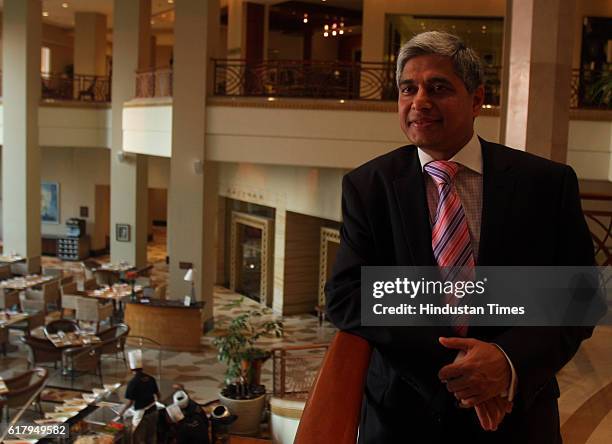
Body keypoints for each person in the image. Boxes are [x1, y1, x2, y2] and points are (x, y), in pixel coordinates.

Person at [325, 31, 597, 444]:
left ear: (477, 99)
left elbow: (581, 296)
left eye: (438, 87)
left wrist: (507, 363)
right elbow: (348, 296)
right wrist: (463, 371)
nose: (419, 101)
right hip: (403, 416)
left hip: (516, 416)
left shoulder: (545, 183)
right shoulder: (368, 186)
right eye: (407, 89)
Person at [118, 349, 161, 444]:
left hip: (142, 416)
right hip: (153, 411)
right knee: (152, 437)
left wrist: (121, 411)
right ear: (142, 367)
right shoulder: (151, 378)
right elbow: (158, 396)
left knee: (139, 440)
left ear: (131, 369)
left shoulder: (133, 383)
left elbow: (130, 402)